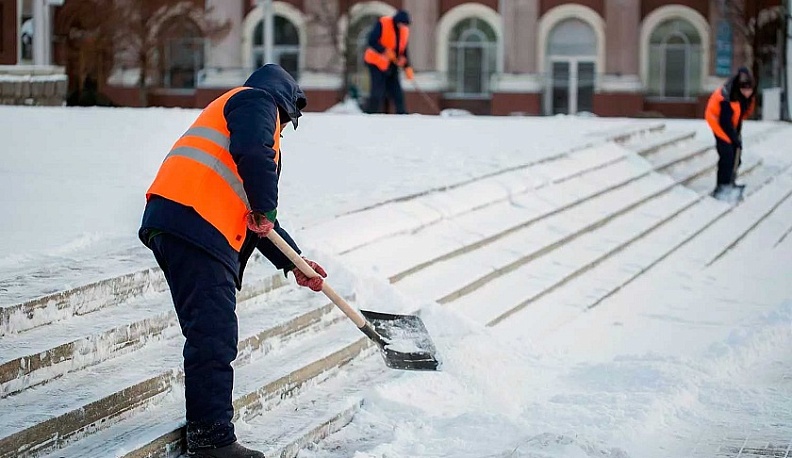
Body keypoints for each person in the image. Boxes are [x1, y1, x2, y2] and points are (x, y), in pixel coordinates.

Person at [138, 64, 327, 458]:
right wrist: (265, 206)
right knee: (213, 332)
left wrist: (296, 263)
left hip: (180, 220)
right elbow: (256, 162)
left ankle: (209, 434)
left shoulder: (234, 117)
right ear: (285, 104)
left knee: (211, 329)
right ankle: (212, 441)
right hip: (196, 221)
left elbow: (257, 220)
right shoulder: (256, 102)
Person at [705, 66, 756, 200]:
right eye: (745, 90)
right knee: (727, 154)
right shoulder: (728, 96)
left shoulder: (745, 98)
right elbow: (725, 122)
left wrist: (737, 138)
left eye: (750, 90)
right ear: (739, 88)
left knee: (736, 156)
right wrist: (733, 138)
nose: (748, 93)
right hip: (718, 121)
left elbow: (739, 117)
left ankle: (730, 182)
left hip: (731, 124)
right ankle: (722, 186)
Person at [363, 9, 414, 114]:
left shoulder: (404, 31)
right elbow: (371, 40)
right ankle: (370, 114)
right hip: (376, 62)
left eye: (405, 24)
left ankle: (402, 114)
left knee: (397, 92)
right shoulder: (383, 23)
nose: (403, 26)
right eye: (402, 24)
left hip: (392, 64)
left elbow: (403, 50)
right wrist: (384, 51)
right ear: (397, 21)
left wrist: (407, 66)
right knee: (377, 91)